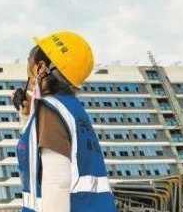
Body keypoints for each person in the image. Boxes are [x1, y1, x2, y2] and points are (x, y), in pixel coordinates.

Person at [14, 31, 116, 212]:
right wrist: (26, 115)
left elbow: (57, 182)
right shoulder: (72, 109)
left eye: (30, 67)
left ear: (41, 68)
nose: (28, 78)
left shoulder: (50, 108)